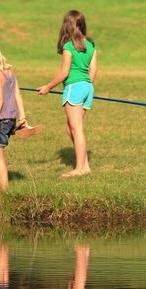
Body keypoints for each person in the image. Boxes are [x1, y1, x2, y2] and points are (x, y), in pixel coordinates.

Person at [37, 10, 98, 178]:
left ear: (67, 26)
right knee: (71, 128)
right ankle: (85, 165)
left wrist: (48, 87)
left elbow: (64, 73)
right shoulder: (91, 45)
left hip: (74, 88)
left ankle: (79, 168)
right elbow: (93, 71)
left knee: (76, 129)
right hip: (87, 87)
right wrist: (87, 87)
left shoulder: (69, 46)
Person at [0, 40, 38, 190]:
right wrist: (22, 117)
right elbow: (17, 94)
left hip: (0, 120)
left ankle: (2, 188)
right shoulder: (9, 71)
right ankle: (1, 185)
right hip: (11, 119)